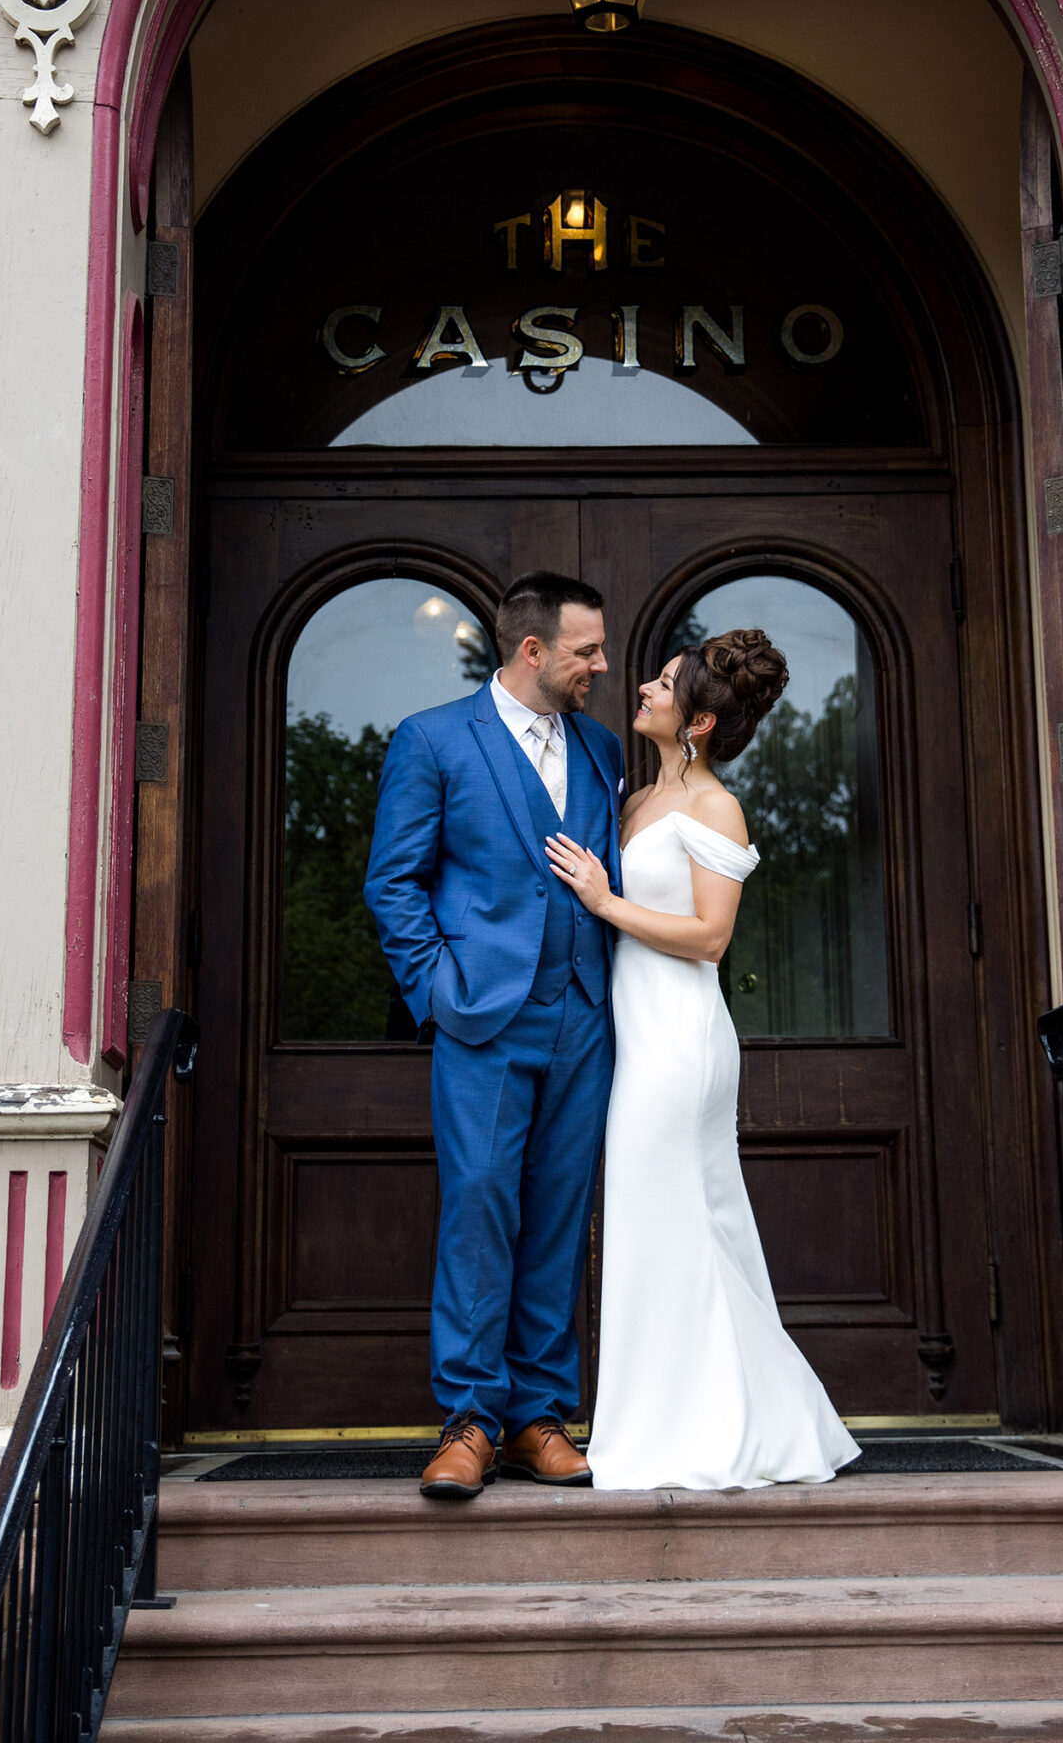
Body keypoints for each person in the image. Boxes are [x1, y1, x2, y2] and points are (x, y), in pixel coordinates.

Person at [547, 628, 862, 1491]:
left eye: (665, 682)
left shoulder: (714, 807)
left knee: (675, 1220)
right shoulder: (636, 799)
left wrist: (606, 903)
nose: (643, 686)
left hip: (680, 1041)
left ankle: (704, 1429)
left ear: (699, 724)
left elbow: (711, 939)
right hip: (636, 1033)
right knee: (661, 1228)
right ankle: (680, 1417)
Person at [362, 571, 623, 1500]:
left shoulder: (601, 750)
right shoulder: (434, 739)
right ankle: (470, 1416)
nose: (601, 664)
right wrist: (437, 989)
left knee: (557, 1212)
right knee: (479, 1207)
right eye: (587, 650)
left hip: (585, 1017)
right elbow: (392, 882)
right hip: (482, 1017)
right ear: (532, 651)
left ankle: (538, 1417)